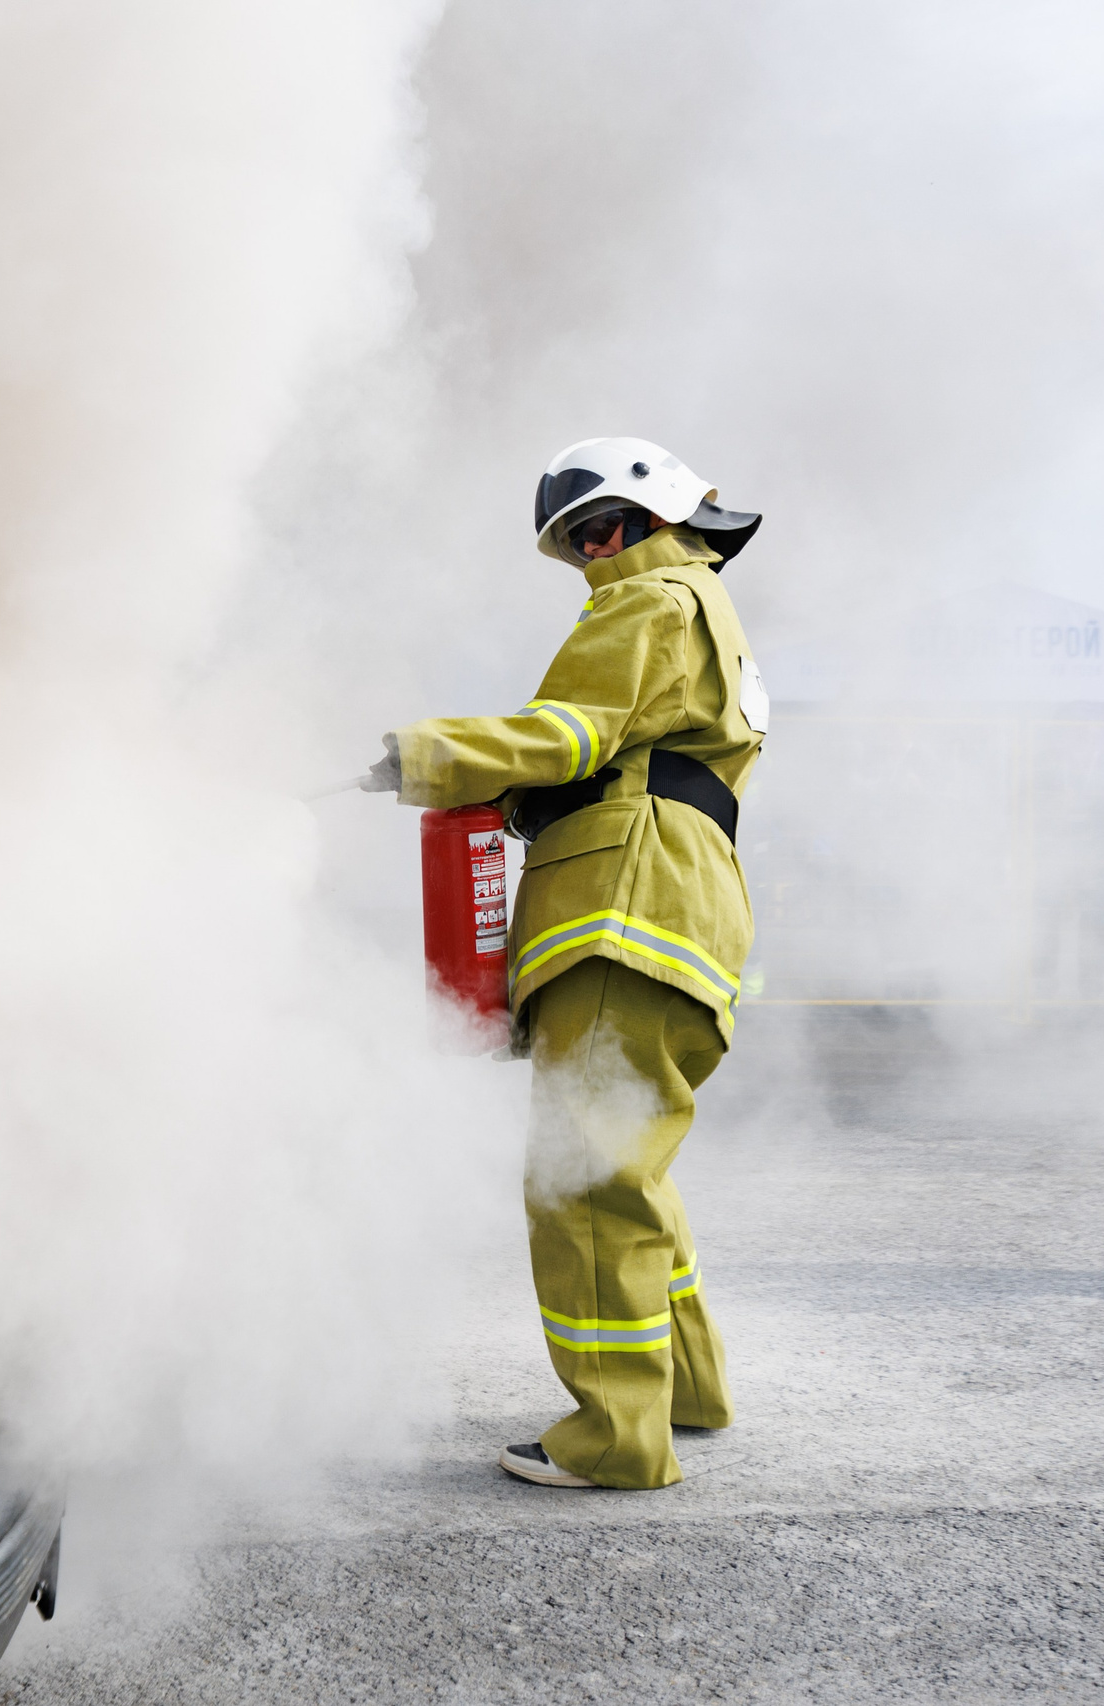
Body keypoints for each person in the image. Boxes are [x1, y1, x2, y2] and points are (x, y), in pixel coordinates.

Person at [362, 437, 764, 1490]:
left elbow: (572, 731)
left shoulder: (649, 600)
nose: (592, 554)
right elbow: (627, 751)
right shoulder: (704, 613)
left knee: (582, 1177)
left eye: (602, 527)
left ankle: (615, 1438)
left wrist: (425, 754)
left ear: (659, 512)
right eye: (575, 541)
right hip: (680, 911)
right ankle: (683, 1388)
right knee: (629, 1163)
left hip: (620, 909)